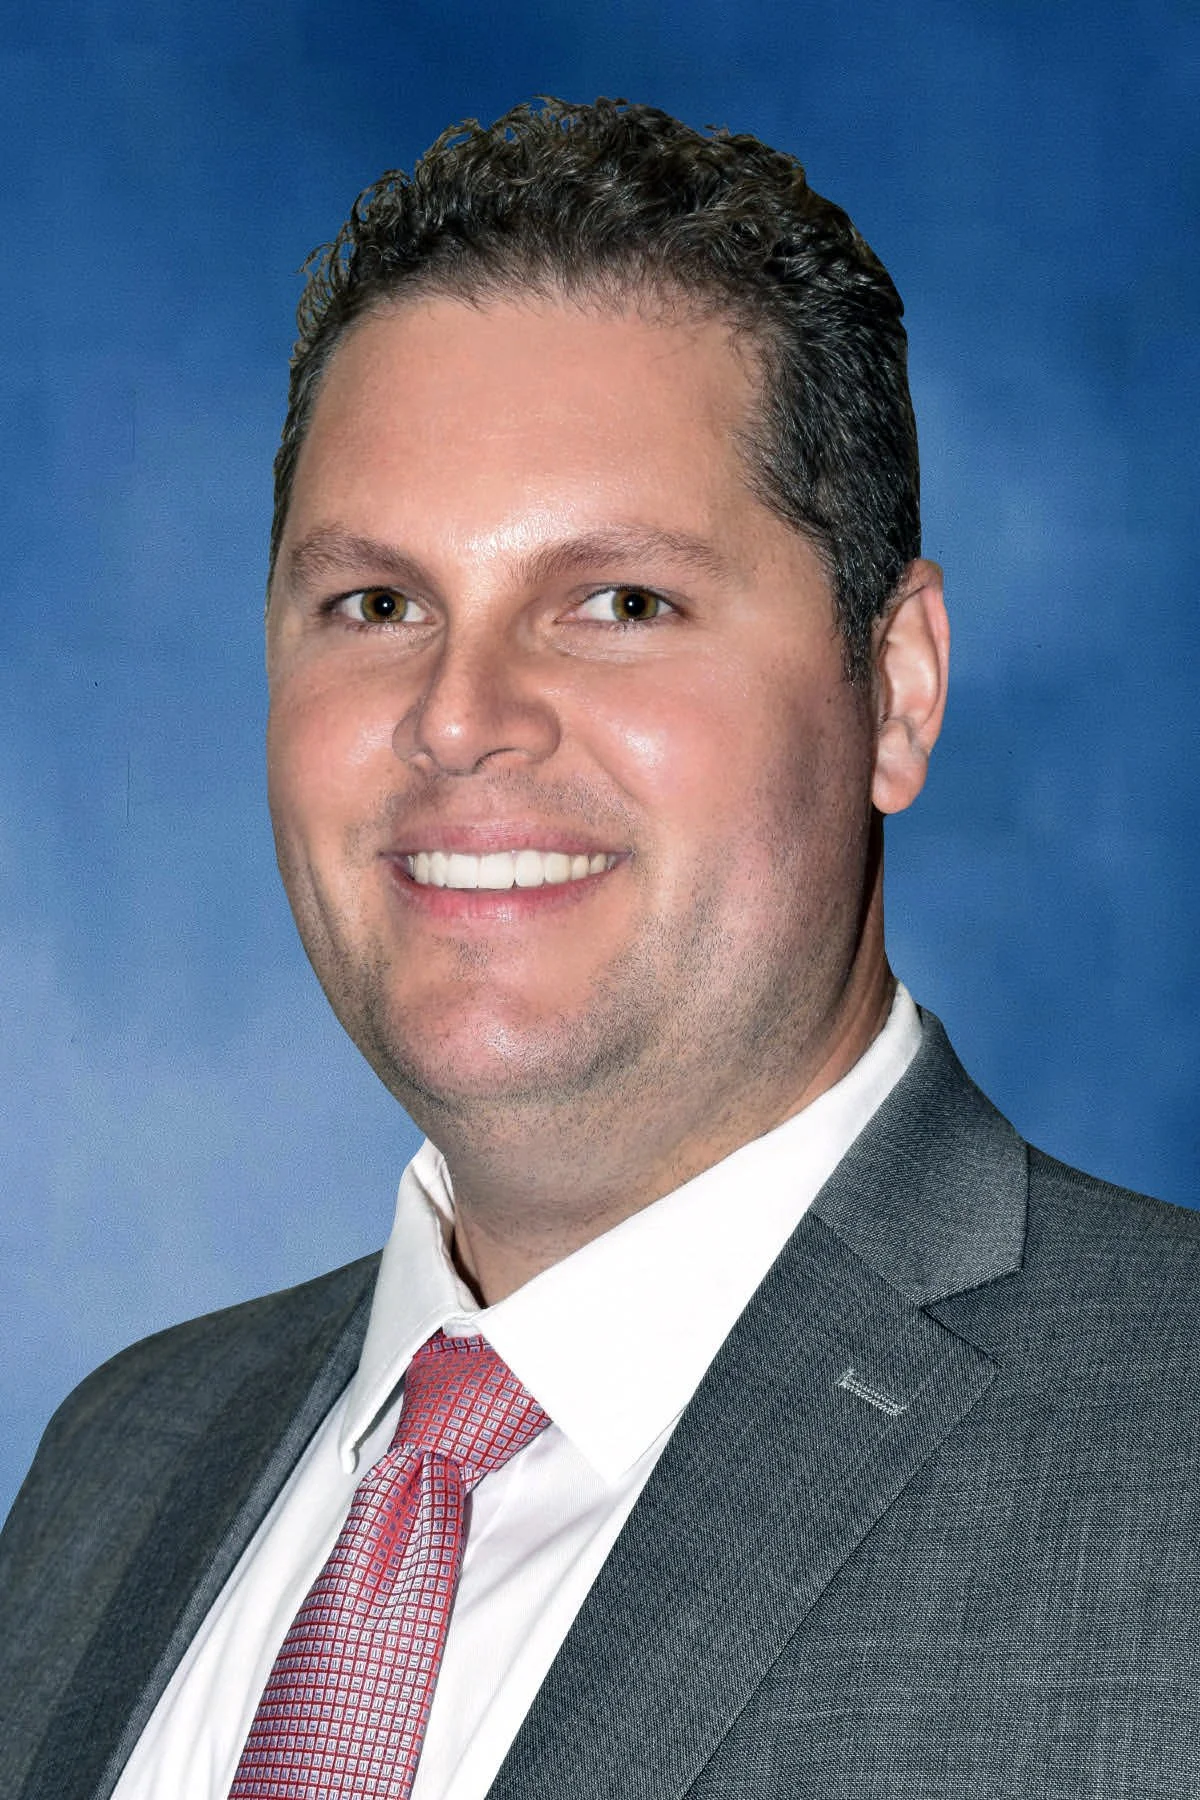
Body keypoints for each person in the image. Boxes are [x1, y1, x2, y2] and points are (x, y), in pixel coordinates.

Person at [1, 95, 1197, 1800]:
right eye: (377, 605)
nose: (459, 716)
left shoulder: (1168, 1460)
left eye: (620, 603)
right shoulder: (116, 1466)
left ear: (897, 688)